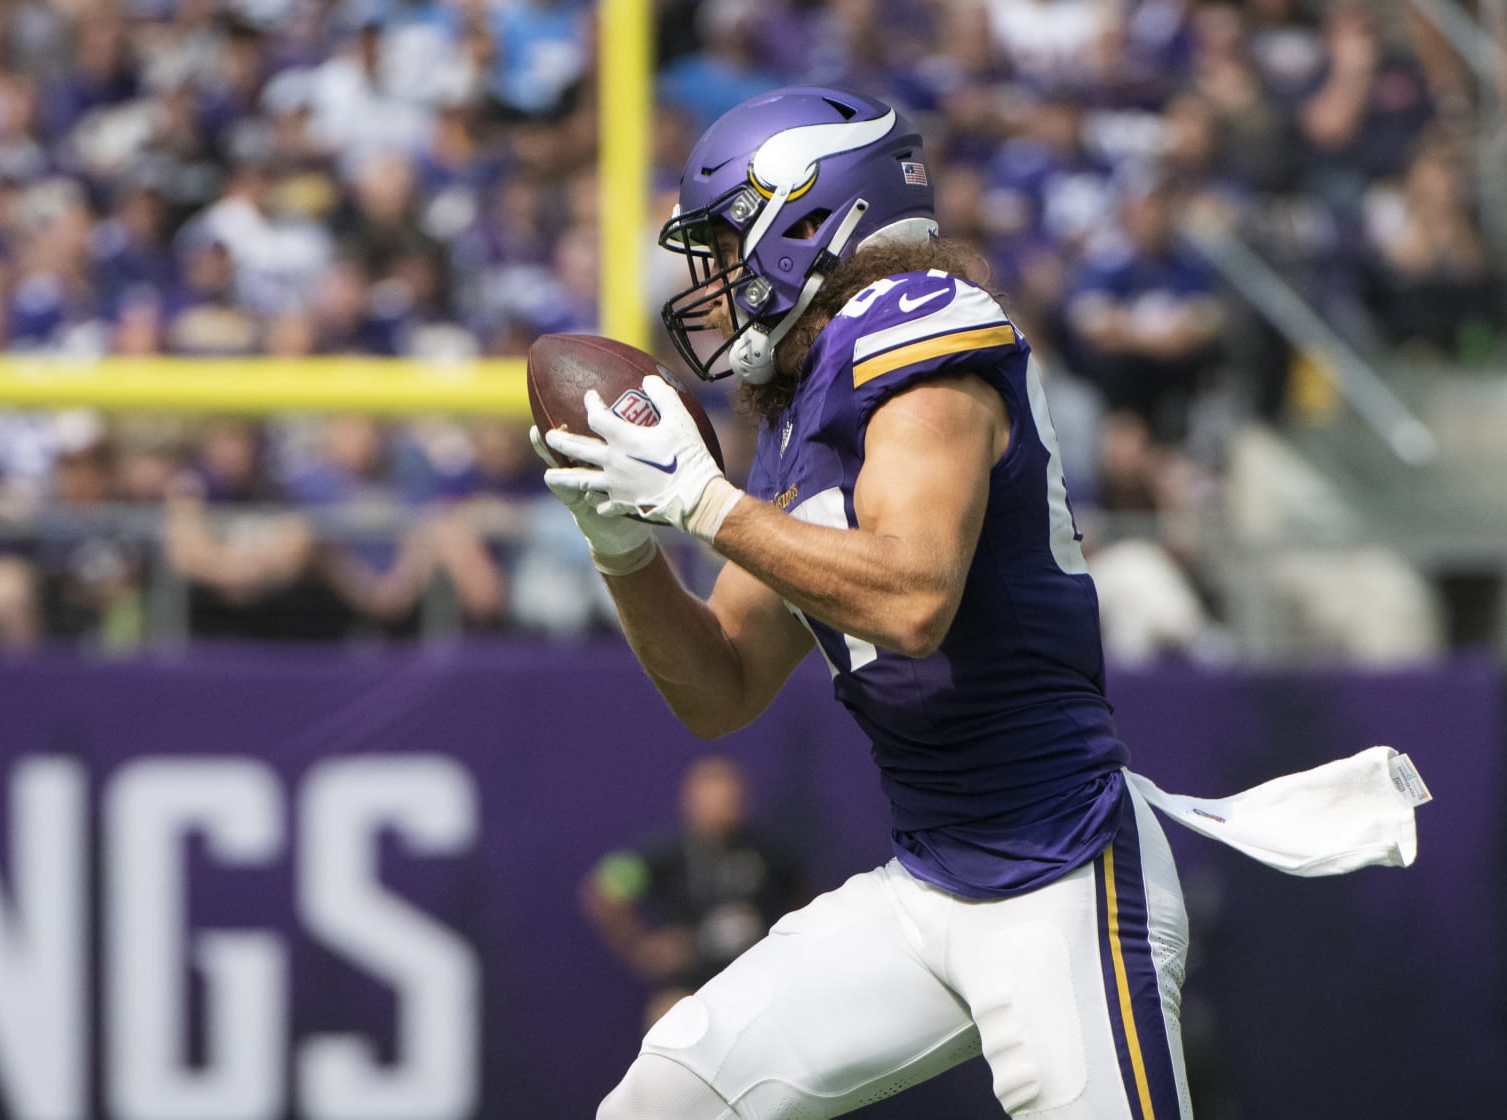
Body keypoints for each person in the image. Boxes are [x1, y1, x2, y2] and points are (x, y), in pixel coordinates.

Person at [534, 86, 1425, 1120]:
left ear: (808, 217)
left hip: (1063, 879)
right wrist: (625, 549)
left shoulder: (920, 326)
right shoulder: (802, 406)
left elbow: (914, 598)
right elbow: (720, 688)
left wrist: (700, 501)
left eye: (730, 244)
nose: (718, 283)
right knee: (665, 1099)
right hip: (930, 884)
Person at [581, 756, 810, 1030]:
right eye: (713, 799)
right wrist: (640, 947)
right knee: (668, 1023)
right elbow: (605, 887)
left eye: (731, 797)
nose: (724, 807)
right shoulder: (666, 854)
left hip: (757, 986)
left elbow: (807, 901)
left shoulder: (769, 854)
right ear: (691, 802)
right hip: (689, 988)